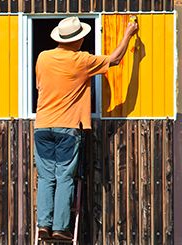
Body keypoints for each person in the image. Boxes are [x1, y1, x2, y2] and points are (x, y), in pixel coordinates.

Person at [35, 16, 138, 240]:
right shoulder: (82, 60)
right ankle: (60, 227)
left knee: (45, 177)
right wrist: (129, 33)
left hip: (42, 126)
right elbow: (116, 59)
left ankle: (43, 224)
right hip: (67, 128)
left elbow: (40, 86)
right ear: (77, 40)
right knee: (64, 177)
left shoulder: (42, 58)